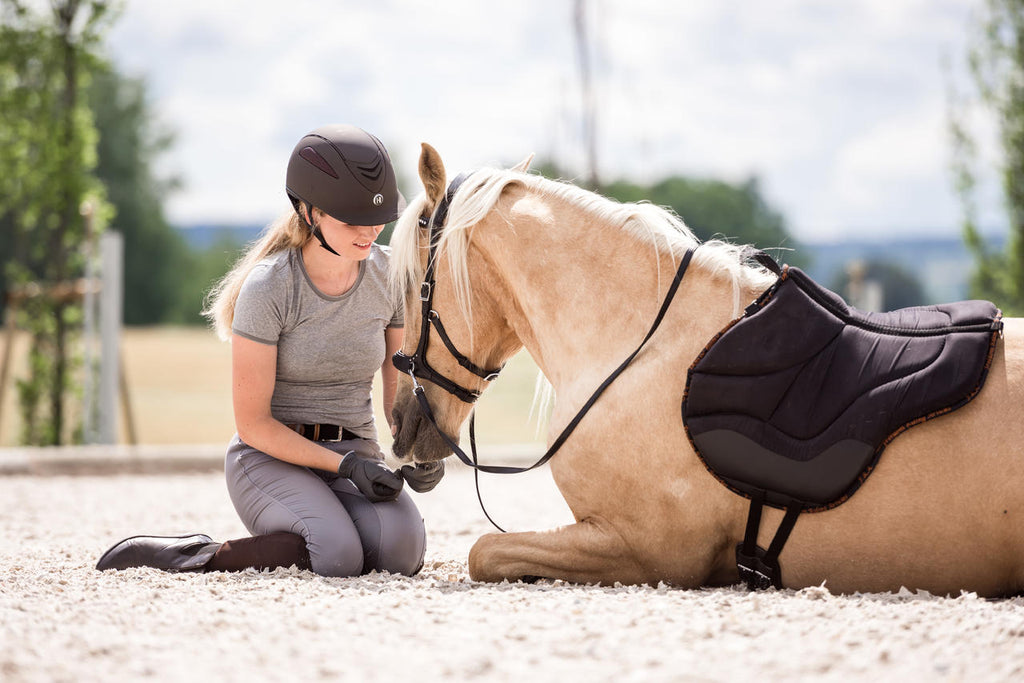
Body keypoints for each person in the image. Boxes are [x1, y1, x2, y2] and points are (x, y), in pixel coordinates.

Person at [96, 124, 443, 576]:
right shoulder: (271, 286)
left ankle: (314, 532)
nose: (371, 230)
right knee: (338, 555)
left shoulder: (390, 277)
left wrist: (416, 452)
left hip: (355, 454)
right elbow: (253, 423)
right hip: (268, 459)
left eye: (378, 218)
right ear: (308, 211)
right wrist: (347, 466)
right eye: (351, 219)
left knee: (401, 552)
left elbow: (396, 393)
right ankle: (194, 555)